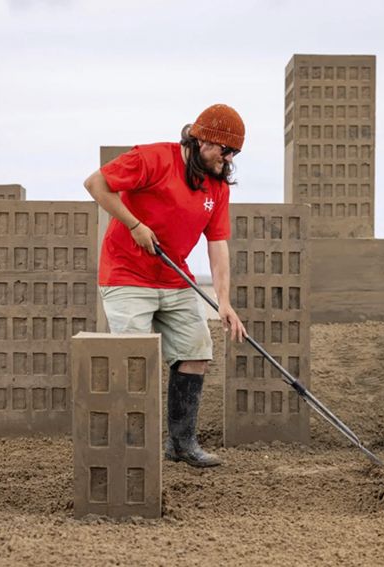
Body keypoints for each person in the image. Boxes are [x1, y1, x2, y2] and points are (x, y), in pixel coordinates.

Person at [83, 103, 247, 468]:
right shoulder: (153, 158)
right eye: (225, 150)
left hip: (175, 278)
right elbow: (95, 184)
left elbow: (218, 244)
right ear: (204, 141)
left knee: (196, 351)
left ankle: (181, 443)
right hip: (126, 274)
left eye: (234, 153)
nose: (229, 159)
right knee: (133, 359)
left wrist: (224, 301)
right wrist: (134, 225)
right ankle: (130, 446)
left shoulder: (218, 186)